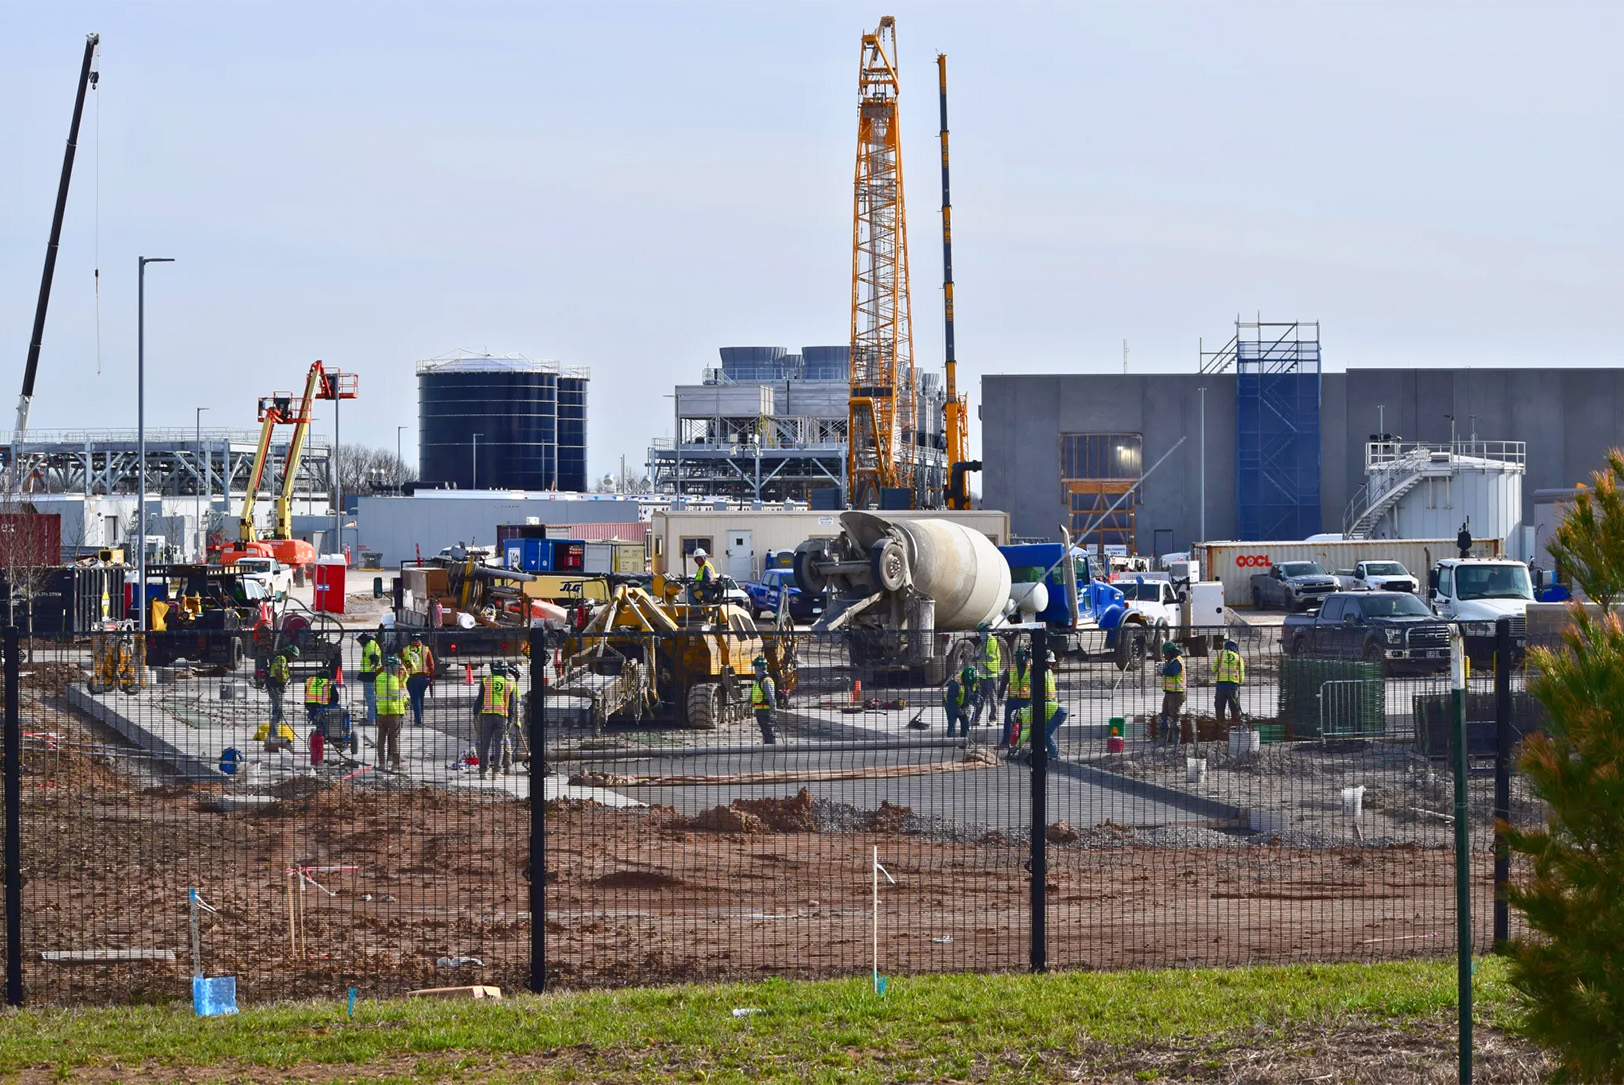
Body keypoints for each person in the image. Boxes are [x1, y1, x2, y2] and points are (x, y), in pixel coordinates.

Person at [1011, 652, 1067, 761]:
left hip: (1049, 706)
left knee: (1046, 734)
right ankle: (1044, 753)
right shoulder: (1044, 672)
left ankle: (1054, 755)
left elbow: (1025, 732)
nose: (1050, 665)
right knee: (1042, 732)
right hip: (1049, 706)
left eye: (1051, 663)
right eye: (1049, 662)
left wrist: (1015, 747)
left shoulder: (1027, 714)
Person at [474, 662, 517, 778]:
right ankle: (496, 772)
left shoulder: (486, 681)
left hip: (486, 716)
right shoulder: (509, 684)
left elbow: (479, 699)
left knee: (485, 743)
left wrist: (475, 714)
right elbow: (511, 706)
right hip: (501, 717)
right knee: (499, 744)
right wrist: (510, 720)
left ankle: (483, 771)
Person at [375, 654, 407, 771]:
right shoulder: (393, 679)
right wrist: (403, 692)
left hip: (381, 711)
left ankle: (382, 763)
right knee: (394, 738)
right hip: (394, 712)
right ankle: (395, 764)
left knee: (381, 739)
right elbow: (395, 696)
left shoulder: (379, 677)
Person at [969, 627, 1003, 728]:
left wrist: (979, 657)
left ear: (986, 632)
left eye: (981, 632)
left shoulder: (991, 642)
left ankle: (993, 718)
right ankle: (976, 718)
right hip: (983, 674)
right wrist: (975, 656)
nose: (980, 634)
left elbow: (991, 657)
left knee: (992, 697)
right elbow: (978, 652)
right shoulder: (983, 642)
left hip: (991, 673)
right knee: (980, 697)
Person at [400, 634, 435, 728]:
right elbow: (431, 665)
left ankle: (418, 720)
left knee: (415, 699)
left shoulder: (405, 650)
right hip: (424, 677)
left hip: (411, 678)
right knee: (421, 697)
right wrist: (431, 678)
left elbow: (402, 664)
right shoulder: (425, 649)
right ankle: (420, 718)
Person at [1213, 638, 1246, 731]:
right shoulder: (1238, 658)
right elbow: (1241, 673)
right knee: (1234, 706)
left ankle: (1220, 725)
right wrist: (1239, 682)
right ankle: (1235, 725)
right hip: (1232, 685)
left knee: (1219, 706)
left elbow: (1213, 669)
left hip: (1220, 685)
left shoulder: (1220, 656)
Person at [1157, 642, 1186, 744]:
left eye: (1166, 653)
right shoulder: (1172, 661)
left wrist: (1163, 670)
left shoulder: (1177, 662)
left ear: (1171, 652)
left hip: (1176, 693)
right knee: (1164, 712)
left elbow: (1171, 672)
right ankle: (1164, 736)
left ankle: (1176, 739)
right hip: (1169, 692)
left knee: (1174, 714)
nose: (1165, 655)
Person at [1003, 643, 1031, 748]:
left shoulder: (1030, 668)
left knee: (1025, 721)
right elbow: (1004, 681)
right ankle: (1006, 741)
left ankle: (1022, 741)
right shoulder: (1011, 668)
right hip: (1013, 698)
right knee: (1008, 720)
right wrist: (1000, 695)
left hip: (1025, 699)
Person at [942, 665, 978, 738]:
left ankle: (964, 741)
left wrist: (975, 701)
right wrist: (957, 709)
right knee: (952, 722)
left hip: (965, 704)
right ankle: (950, 740)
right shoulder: (956, 683)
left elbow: (976, 692)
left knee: (965, 723)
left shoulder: (974, 680)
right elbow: (950, 698)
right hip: (951, 705)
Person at [266, 645, 297, 725]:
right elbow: (279, 672)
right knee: (278, 711)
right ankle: (274, 732)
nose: (293, 659)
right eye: (293, 657)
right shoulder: (281, 659)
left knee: (277, 710)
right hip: (276, 687)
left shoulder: (282, 659)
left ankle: (273, 731)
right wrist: (283, 683)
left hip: (276, 687)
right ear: (289, 654)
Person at [750, 655, 778, 744]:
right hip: (759, 710)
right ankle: (767, 746)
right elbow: (752, 695)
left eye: (756, 668)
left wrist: (773, 710)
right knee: (764, 731)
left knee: (768, 730)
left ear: (760, 668)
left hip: (765, 711)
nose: (755, 671)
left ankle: (771, 747)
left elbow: (771, 697)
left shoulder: (766, 681)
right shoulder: (757, 681)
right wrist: (747, 703)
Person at [358, 632, 382, 725]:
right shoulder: (369, 644)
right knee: (371, 697)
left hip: (370, 675)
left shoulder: (370, 645)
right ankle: (375, 717)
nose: (359, 643)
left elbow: (374, 659)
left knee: (370, 697)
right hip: (370, 674)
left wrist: (373, 667)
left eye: (359, 640)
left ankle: (371, 719)